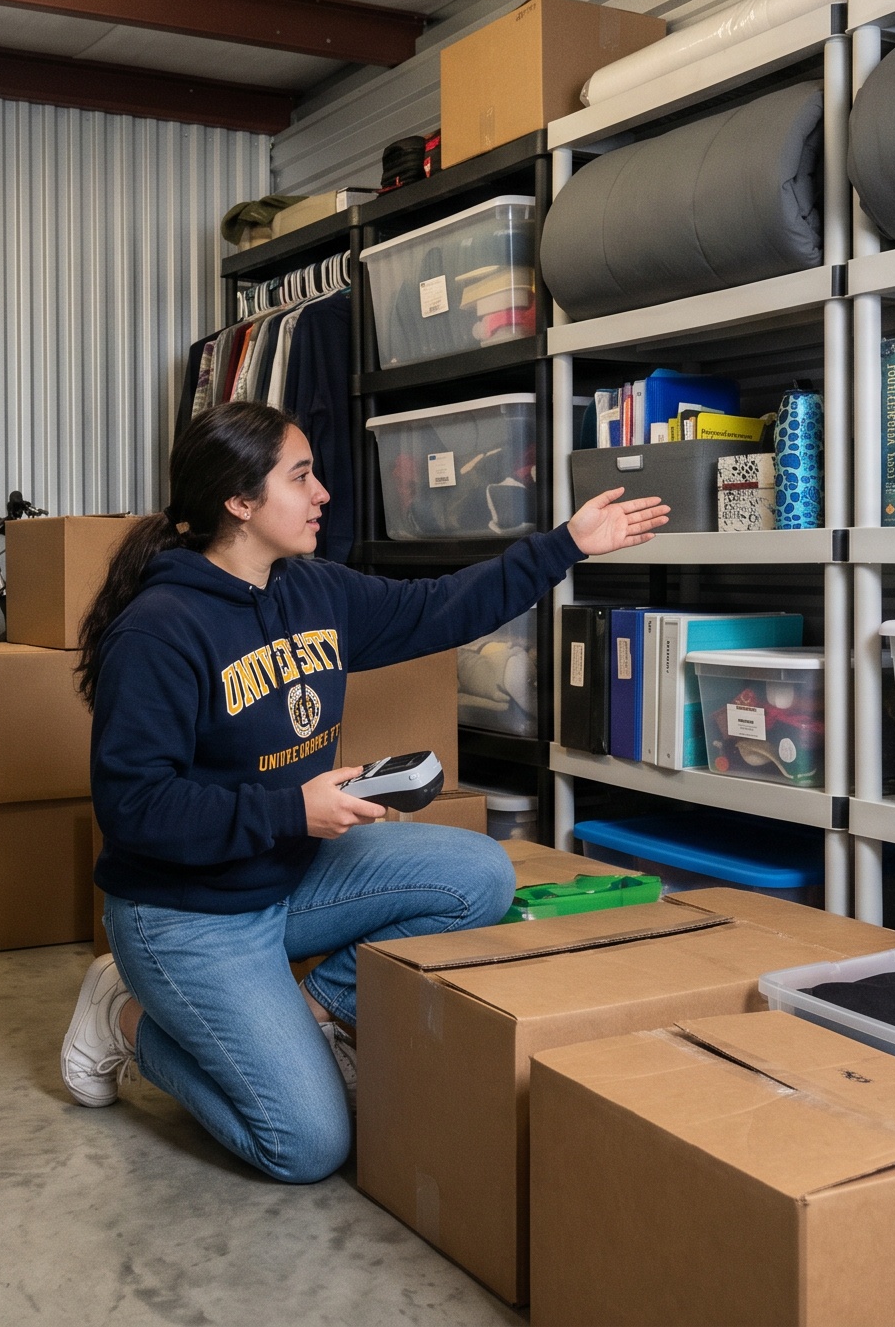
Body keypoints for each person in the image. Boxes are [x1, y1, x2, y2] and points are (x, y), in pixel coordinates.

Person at [57, 401, 666, 1182]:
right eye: (301, 477)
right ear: (239, 501)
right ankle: (122, 1014)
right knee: (307, 1146)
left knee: (479, 874)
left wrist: (566, 545)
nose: (323, 494)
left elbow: (440, 607)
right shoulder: (159, 630)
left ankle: (315, 1012)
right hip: (185, 912)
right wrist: (292, 808)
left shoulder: (313, 590)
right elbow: (134, 808)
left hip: (284, 875)